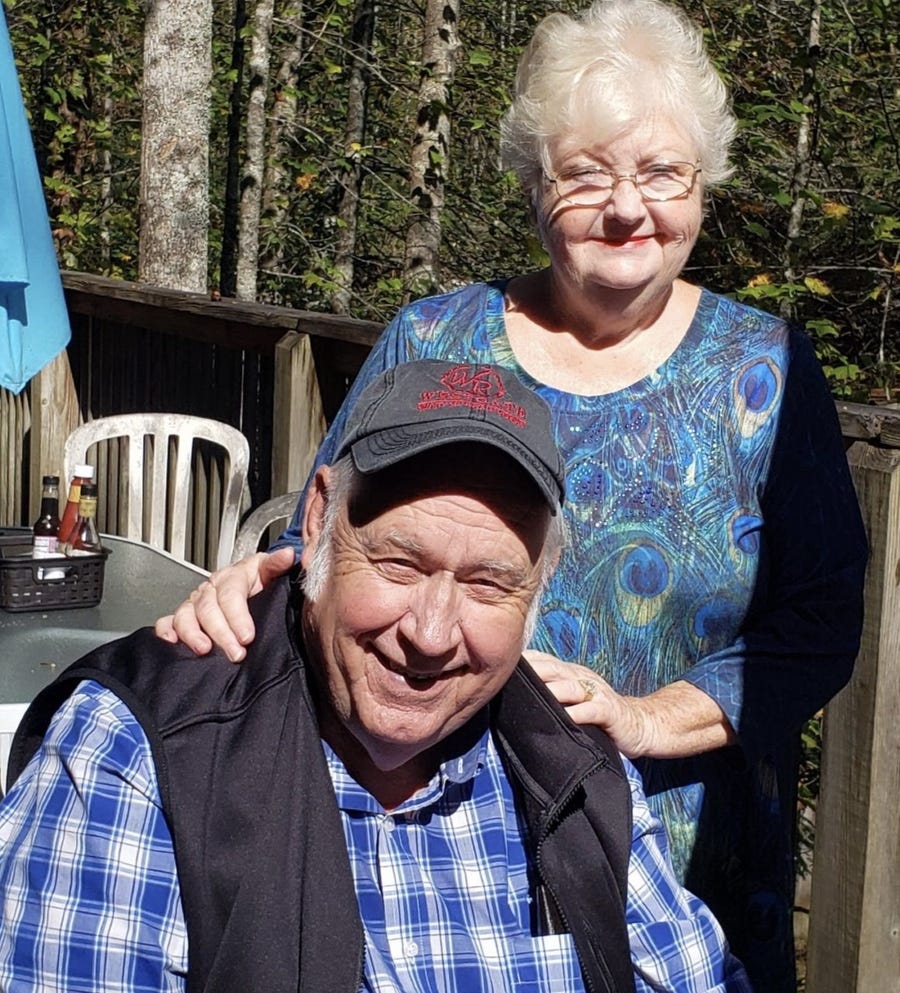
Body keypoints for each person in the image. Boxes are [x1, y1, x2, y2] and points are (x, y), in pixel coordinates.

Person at [156, 1, 868, 989]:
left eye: (663, 172)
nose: (628, 208)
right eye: (588, 173)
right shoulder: (437, 340)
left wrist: (648, 719)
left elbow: (823, 619)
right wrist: (246, 589)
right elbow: (329, 542)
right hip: (449, 870)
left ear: (704, 186)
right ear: (536, 185)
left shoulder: (769, 371)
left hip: (692, 858)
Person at [0, 360, 750, 993]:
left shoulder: (572, 767)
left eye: (489, 584)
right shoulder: (143, 753)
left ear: (540, 586)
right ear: (319, 518)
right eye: (399, 562)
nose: (431, 633)